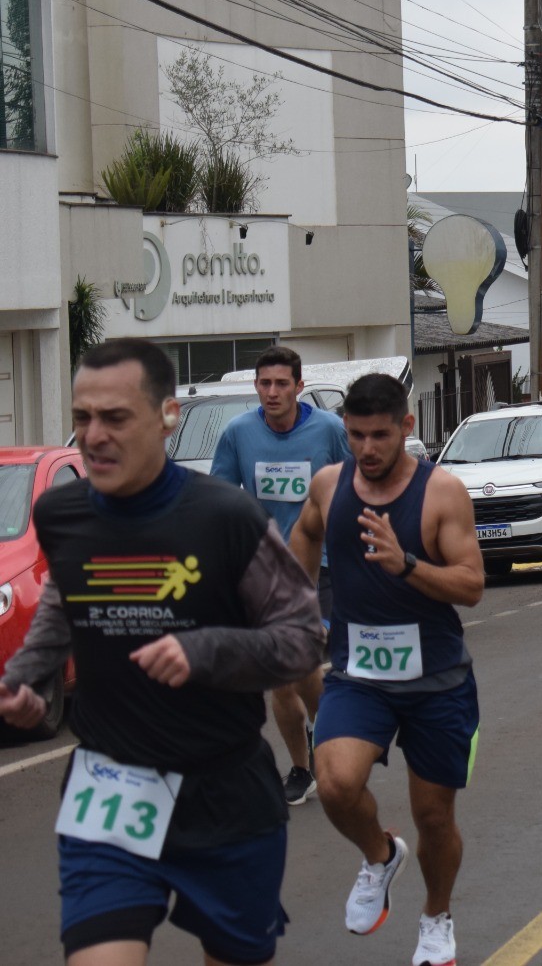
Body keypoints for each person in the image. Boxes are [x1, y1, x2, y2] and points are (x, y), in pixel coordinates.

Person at [0, 338, 323, 966]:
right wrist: (25, 682)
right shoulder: (62, 513)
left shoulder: (224, 516)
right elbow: (66, 608)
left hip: (223, 790)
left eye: (115, 418)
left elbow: (303, 637)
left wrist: (205, 650)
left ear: (167, 416)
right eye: (83, 417)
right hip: (110, 785)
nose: (94, 435)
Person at [288, 373, 484, 966]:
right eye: (355, 436)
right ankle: (379, 855)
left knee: (433, 815)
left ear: (407, 427)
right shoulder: (330, 485)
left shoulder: (441, 493)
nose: (367, 449)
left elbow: (471, 585)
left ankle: (436, 916)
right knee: (336, 782)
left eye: (379, 435)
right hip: (359, 673)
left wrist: (405, 565)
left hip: (437, 680)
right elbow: (304, 533)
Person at [211, 345, 352, 806]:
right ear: (256, 387)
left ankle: (327, 746)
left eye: (281, 384)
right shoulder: (238, 434)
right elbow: (221, 500)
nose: (272, 392)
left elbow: (355, 488)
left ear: (299, 386)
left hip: (322, 566)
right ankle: (303, 765)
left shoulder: (329, 430)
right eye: (264, 384)